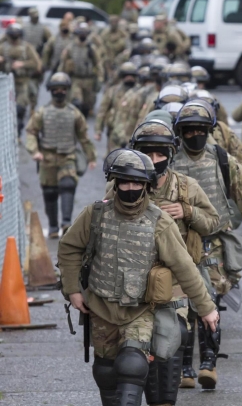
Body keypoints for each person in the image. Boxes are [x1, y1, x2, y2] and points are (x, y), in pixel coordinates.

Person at [57, 148, 219, 406]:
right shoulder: (95, 214)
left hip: (141, 310)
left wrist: (206, 308)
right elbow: (69, 248)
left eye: (137, 182)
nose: (130, 188)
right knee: (106, 372)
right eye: (124, 181)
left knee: (132, 365)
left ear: (147, 185)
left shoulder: (159, 222)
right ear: (115, 182)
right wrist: (73, 290)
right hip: (100, 307)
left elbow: (185, 267)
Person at [171, 100, 242, 389]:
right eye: (188, 131)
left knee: (210, 299)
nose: (194, 136)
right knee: (182, 305)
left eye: (200, 130)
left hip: (212, 242)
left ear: (209, 130)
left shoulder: (222, 159)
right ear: (180, 132)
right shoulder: (169, 161)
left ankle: (208, 364)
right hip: (177, 242)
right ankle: (184, 368)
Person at [126, 119, 221, 398]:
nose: (154, 160)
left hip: (178, 276)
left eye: (160, 153)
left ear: (170, 153)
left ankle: (176, 383)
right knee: (131, 348)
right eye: (148, 153)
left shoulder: (187, 187)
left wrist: (188, 211)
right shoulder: (126, 185)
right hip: (135, 277)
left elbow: (214, 222)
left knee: (175, 331)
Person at [24, 72, 96, 237]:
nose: (59, 92)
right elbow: (31, 132)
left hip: (67, 156)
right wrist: (34, 151)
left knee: (68, 185)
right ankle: (53, 227)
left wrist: (91, 157)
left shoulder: (74, 113)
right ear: (51, 91)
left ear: (67, 90)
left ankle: (66, 222)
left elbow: (84, 136)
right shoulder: (42, 112)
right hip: (46, 157)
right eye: (56, 89)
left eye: (62, 89)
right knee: (49, 192)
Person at [2, 23, 41, 135]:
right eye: (12, 35)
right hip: (6, 83)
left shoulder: (27, 47)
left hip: (23, 82)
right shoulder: (3, 47)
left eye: (17, 35)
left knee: (20, 108)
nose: (14, 38)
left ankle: (17, 133)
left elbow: (36, 64)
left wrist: (22, 64)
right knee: (5, 110)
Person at [58, 22, 104, 117]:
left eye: (85, 33)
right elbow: (63, 62)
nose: (83, 35)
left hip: (89, 80)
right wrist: (60, 77)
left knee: (87, 105)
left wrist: (100, 78)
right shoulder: (71, 47)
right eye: (81, 33)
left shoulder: (91, 48)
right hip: (76, 79)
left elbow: (98, 63)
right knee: (76, 102)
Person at [95, 62, 139, 153]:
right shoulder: (113, 91)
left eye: (132, 75)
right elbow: (102, 110)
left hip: (133, 129)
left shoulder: (139, 92)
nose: (129, 78)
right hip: (114, 130)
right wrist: (98, 130)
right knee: (113, 156)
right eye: (126, 75)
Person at [21, 7, 51, 106]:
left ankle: (33, 107)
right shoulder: (24, 27)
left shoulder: (43, 28)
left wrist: (44, 54)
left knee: (35, 84)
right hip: (25, 58)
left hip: (38, 58)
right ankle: (23, 105)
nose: (35, 18)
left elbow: (50, 42)